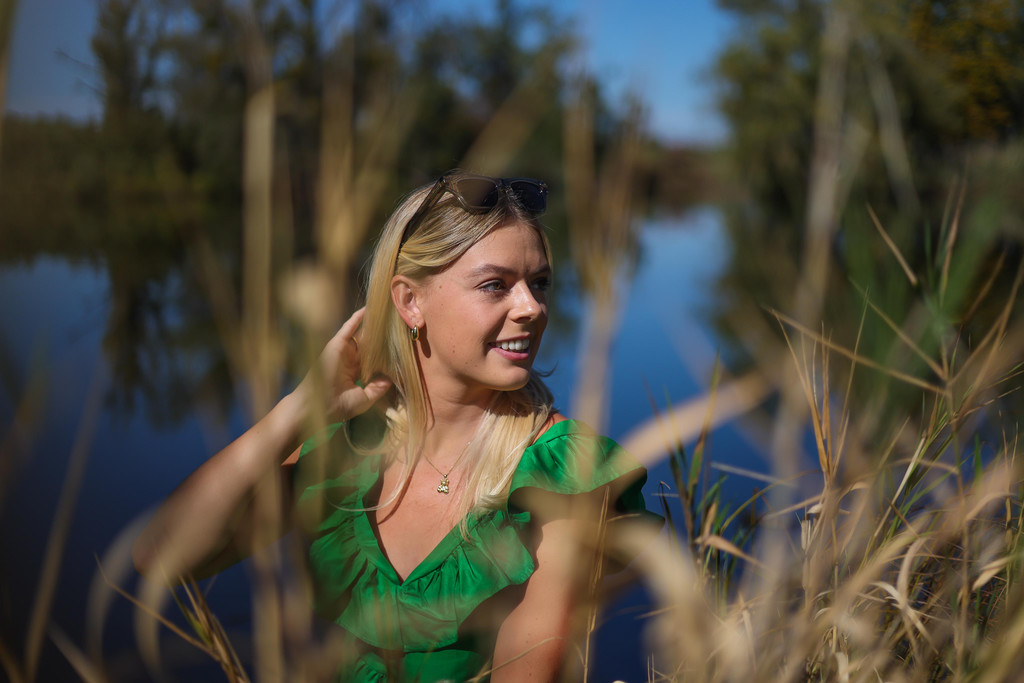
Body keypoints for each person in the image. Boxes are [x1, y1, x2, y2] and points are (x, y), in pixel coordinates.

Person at [133, 172, 656, 682]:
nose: (532, 308)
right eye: (495, 285)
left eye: (539, 283)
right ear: (410, 302)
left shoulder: (561, 472)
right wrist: (298, 410)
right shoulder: (349, 447)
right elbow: (160, 559)